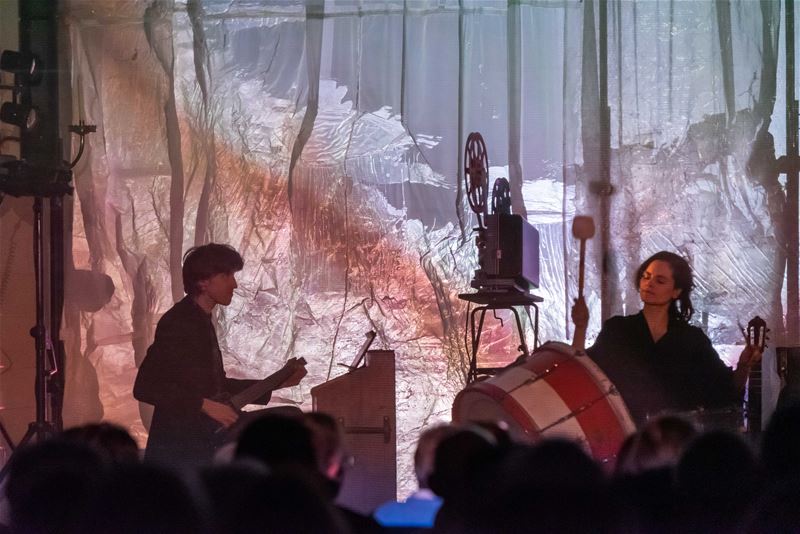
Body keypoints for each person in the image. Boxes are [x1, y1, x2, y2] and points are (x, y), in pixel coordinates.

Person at [133, 243, 303, 470]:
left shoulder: (200, 320)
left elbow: (216, 385)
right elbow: (145, 386)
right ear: (203, 282)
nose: (234, 283)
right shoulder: (179, 322)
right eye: (226, 275)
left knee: (292, 418)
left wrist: (276, 383)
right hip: (188, 441)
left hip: (208, 431)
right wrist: (205, 406)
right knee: (290, 423)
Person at [571, 251, 761, 426]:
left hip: (676, 440)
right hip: (625, 435)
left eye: (660, 280)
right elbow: (585, 372)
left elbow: (725, 389)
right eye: (646, 277)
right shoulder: (618, 329)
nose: (649, 283)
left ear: (676, 291)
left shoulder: (692, 340)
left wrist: (744, 365)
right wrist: (581, 328)